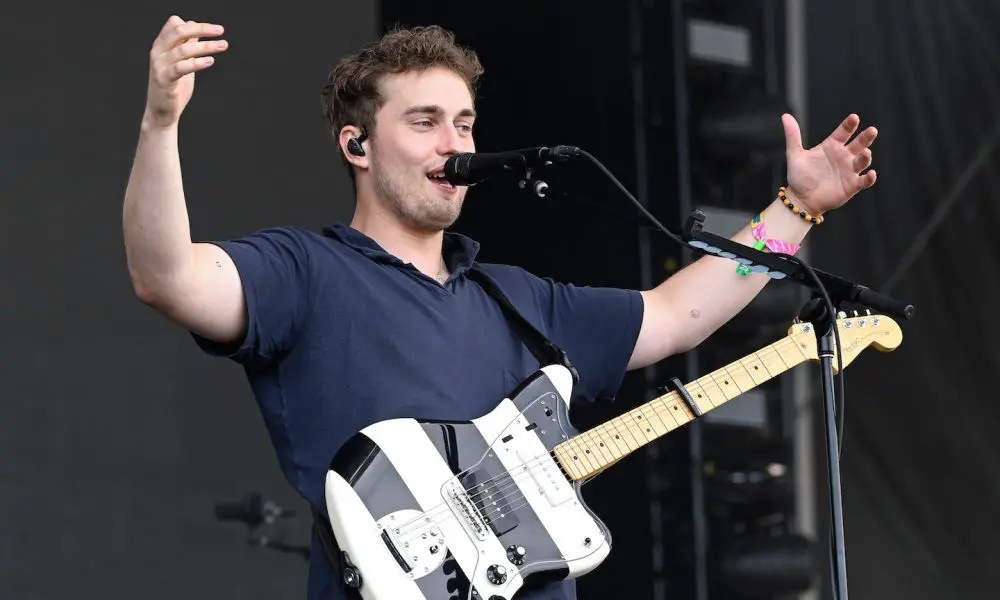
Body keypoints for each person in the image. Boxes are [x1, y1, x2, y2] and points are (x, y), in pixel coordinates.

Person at [122, 16, 879, 600]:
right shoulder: (305, 273)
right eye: (423, 122)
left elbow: (679, 315)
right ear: (356, 145)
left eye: (464, 124)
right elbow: (170, 278)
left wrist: (795, 209)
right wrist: (160, 124)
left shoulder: (515, 296)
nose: (452, 145)